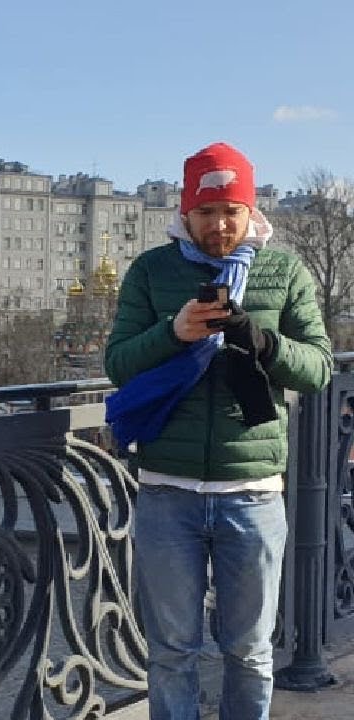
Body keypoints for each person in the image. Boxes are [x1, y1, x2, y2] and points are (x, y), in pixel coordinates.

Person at [103, 142, 332, 719]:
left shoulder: (282, 270)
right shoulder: (152, 271)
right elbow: (119, 363)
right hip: (166, 490)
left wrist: (263, 341)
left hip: (252, 493)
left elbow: (320, 367)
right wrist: (174, 331)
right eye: (206, 212)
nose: (220, 224)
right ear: (186, 213)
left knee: (250, 652)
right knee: (171, 652)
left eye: (231, 210)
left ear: (250, 211)